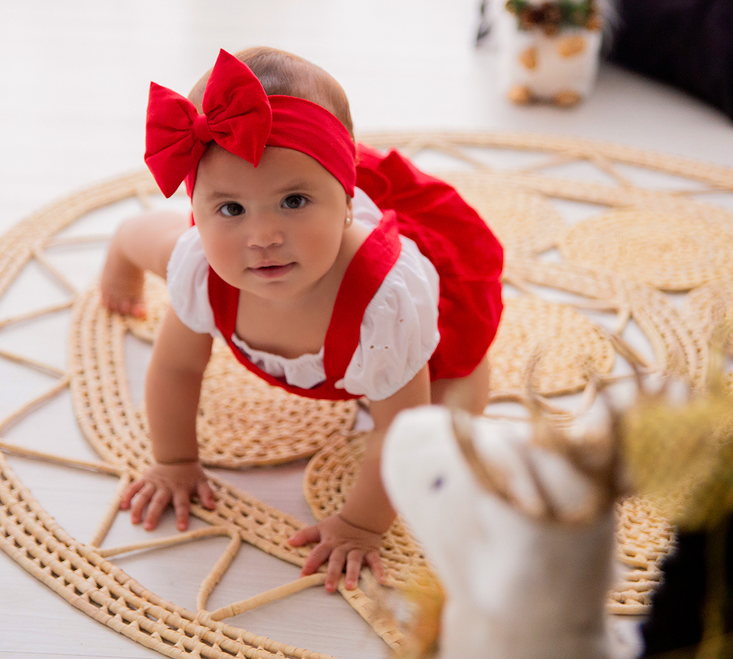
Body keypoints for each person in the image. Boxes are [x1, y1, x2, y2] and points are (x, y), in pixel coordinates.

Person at [101, 47, 504, 593]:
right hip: (226, 268)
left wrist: (361, 525)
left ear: (346, 201)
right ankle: (118, 255)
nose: (262, 235)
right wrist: (174, 462)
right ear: (199, 211)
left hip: (395, 326)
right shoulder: (204, 265)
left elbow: (399, 431)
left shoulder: (385, 300)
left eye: (293, 201)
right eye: (230, 209)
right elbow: (175, 369)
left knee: (450, 416)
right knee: (151, 241)